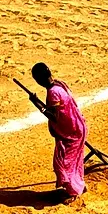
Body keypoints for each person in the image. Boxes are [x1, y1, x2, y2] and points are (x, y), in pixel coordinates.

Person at [32, 62, 87, 203]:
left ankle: (73, 192)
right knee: (74, 160)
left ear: (38, 80)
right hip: (76, 126)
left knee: (63, 163)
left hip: (71, 131)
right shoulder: (59, 84)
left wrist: (38, 104)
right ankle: (79, 186)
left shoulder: (53, 92)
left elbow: (54, 116)